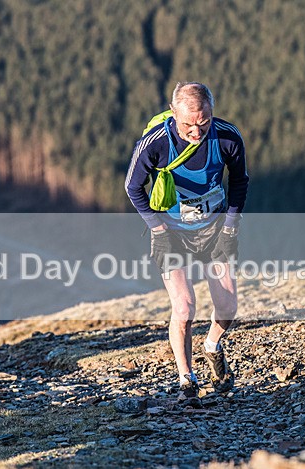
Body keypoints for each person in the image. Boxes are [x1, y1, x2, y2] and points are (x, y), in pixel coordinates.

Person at [125, 82, 249, 399]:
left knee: (227, 306)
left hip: (215, 228)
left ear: (211, 113)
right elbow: (132, 187)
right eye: (187, 124)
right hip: (171, 232)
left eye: (203, 123)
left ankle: (211, 346)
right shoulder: (155, 143)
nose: (196, 132)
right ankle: (187, 379)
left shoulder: (227, 137)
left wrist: (231, 224)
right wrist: (156, 227)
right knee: (184, 307)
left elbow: (239, 180)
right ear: (172, 113)